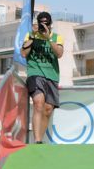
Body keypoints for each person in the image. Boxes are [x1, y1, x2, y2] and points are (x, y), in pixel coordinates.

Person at [21, 11, 64, 145]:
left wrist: (48, 38)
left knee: (48, 109)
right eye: (42, 24)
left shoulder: (57, 37)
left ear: (51, 25)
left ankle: (39, 139)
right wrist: (33, 37)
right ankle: (37, 140)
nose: (44, 27)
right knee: (38, 103)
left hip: (52, 76)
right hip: (35, 73)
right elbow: (23, 53)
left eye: (46, 24)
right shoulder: (30, 35)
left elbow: (59, 54)